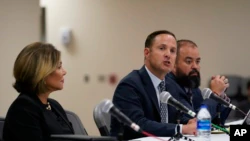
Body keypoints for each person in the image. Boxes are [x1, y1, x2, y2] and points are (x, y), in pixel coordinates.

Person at [110, 30, 197, 140]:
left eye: (173, 51)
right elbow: (137, 124)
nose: (168, 54)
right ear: (147, 53)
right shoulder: (130, 85)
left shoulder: (171, 85)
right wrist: (181, 129)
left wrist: (188, 121)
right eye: (162, 48)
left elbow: (174, 117)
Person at [3, 42, 74, 141]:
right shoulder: (23, 108)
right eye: (58, 67)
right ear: (42, 73)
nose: (64, 71)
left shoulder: (54, 105)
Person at [166, 39, 231, 125]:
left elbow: (215, 123)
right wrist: (215, 94)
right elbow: (196, 122)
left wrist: (220, 98)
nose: (195, 66)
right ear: (174, 64)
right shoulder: (168, 85)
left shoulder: (192, 87)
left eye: (197, 61)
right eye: (189, 61)